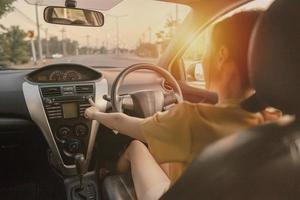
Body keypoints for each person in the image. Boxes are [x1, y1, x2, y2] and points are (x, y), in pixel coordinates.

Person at [85, 11, 272, 200]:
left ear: (222, 55)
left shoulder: (193, 119)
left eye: (207, 50)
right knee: (163, 153)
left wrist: (94, 114)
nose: (204, 59)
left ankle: (106, 176)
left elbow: (120, 121)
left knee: (136, 147)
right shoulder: (278, 121)